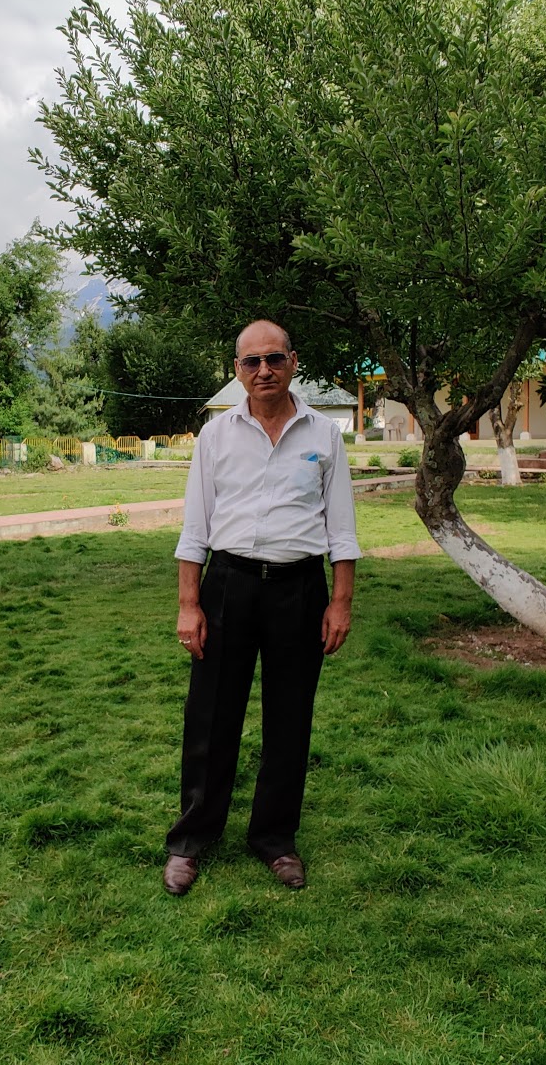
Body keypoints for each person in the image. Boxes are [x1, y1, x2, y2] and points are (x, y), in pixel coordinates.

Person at [163, 319, 361, 896]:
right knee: (210, 715)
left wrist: (341, 601)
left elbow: (342, 528)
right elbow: (195, 528)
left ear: (293, 362)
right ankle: (191, 839)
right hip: (228, 584)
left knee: (290, 717)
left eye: (274, 359)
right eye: (252, 362)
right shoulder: (215, 437)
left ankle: (275, 839)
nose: (264, 370)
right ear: (237, 370)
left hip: (299, 590)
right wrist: (189, 604)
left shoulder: (324, 435)